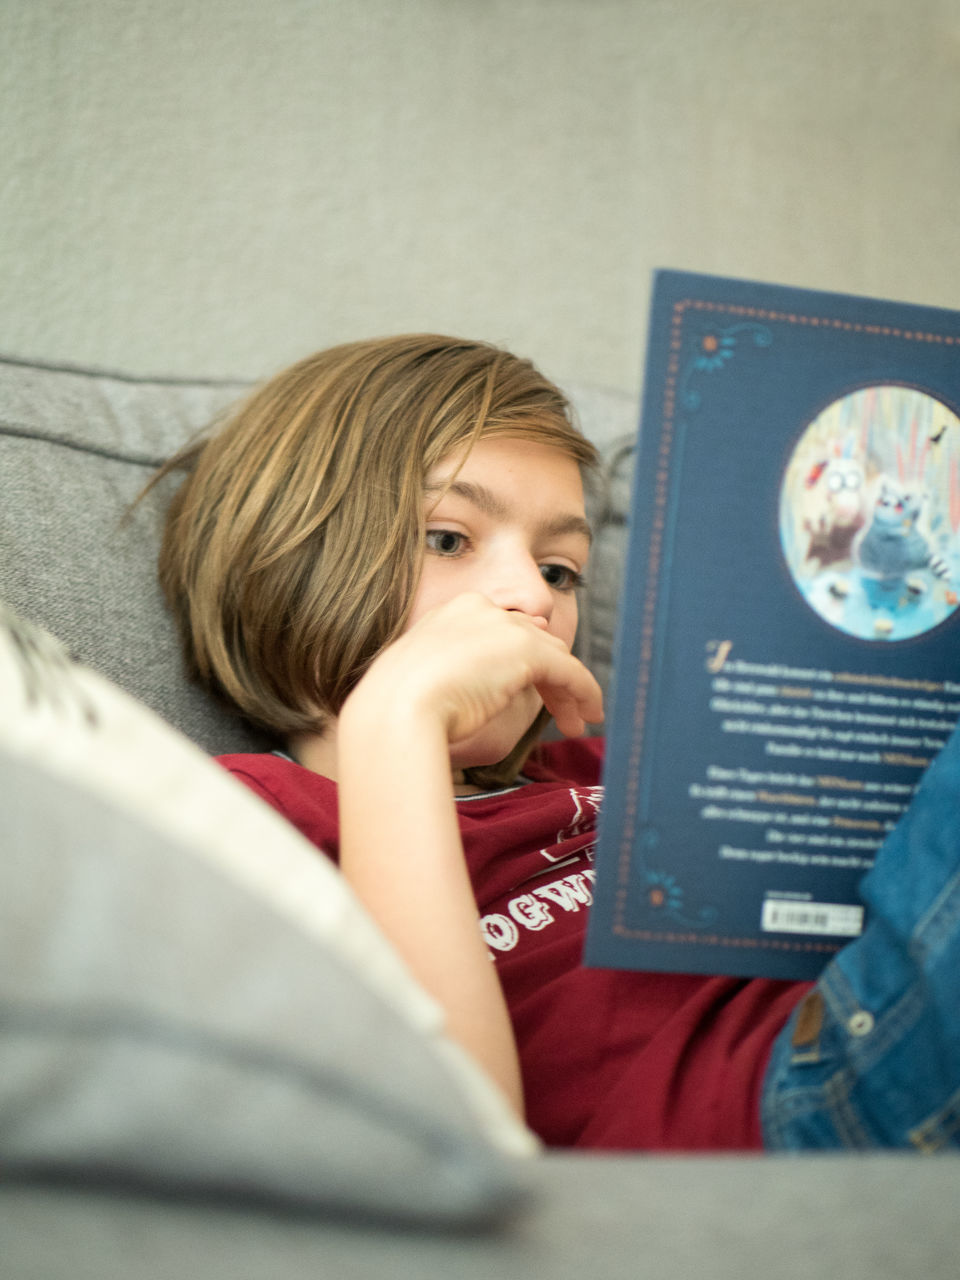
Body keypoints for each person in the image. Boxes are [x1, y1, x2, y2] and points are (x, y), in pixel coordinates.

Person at [155, 334, 960, 1152]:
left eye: (560, 569)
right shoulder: (244, 816)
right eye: (448, 538)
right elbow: (447, 1140)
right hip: (774, 1110)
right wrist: (397, 719)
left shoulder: (625, 766)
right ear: (283, 555)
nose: (531, 597)